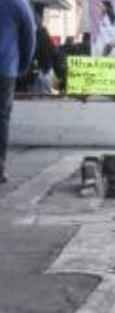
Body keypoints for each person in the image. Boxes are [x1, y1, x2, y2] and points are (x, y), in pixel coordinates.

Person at [0, 0, 35, 184]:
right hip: (6, 70)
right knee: (2, 119)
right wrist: (21, 66)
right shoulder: (18, 3)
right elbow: (29, 37)